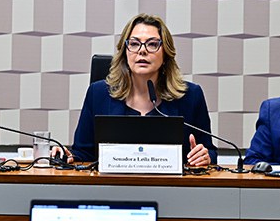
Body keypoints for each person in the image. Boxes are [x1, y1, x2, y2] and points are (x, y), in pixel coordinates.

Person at [60, 13, 216, 166]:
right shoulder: (98, 93)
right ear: (125, 52)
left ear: (166, 54)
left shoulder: (190, 96)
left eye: (152, 44)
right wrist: (67, 155)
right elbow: (83, 153)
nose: (142, 50)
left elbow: (210, 153)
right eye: (134, 44)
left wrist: (205, 156)